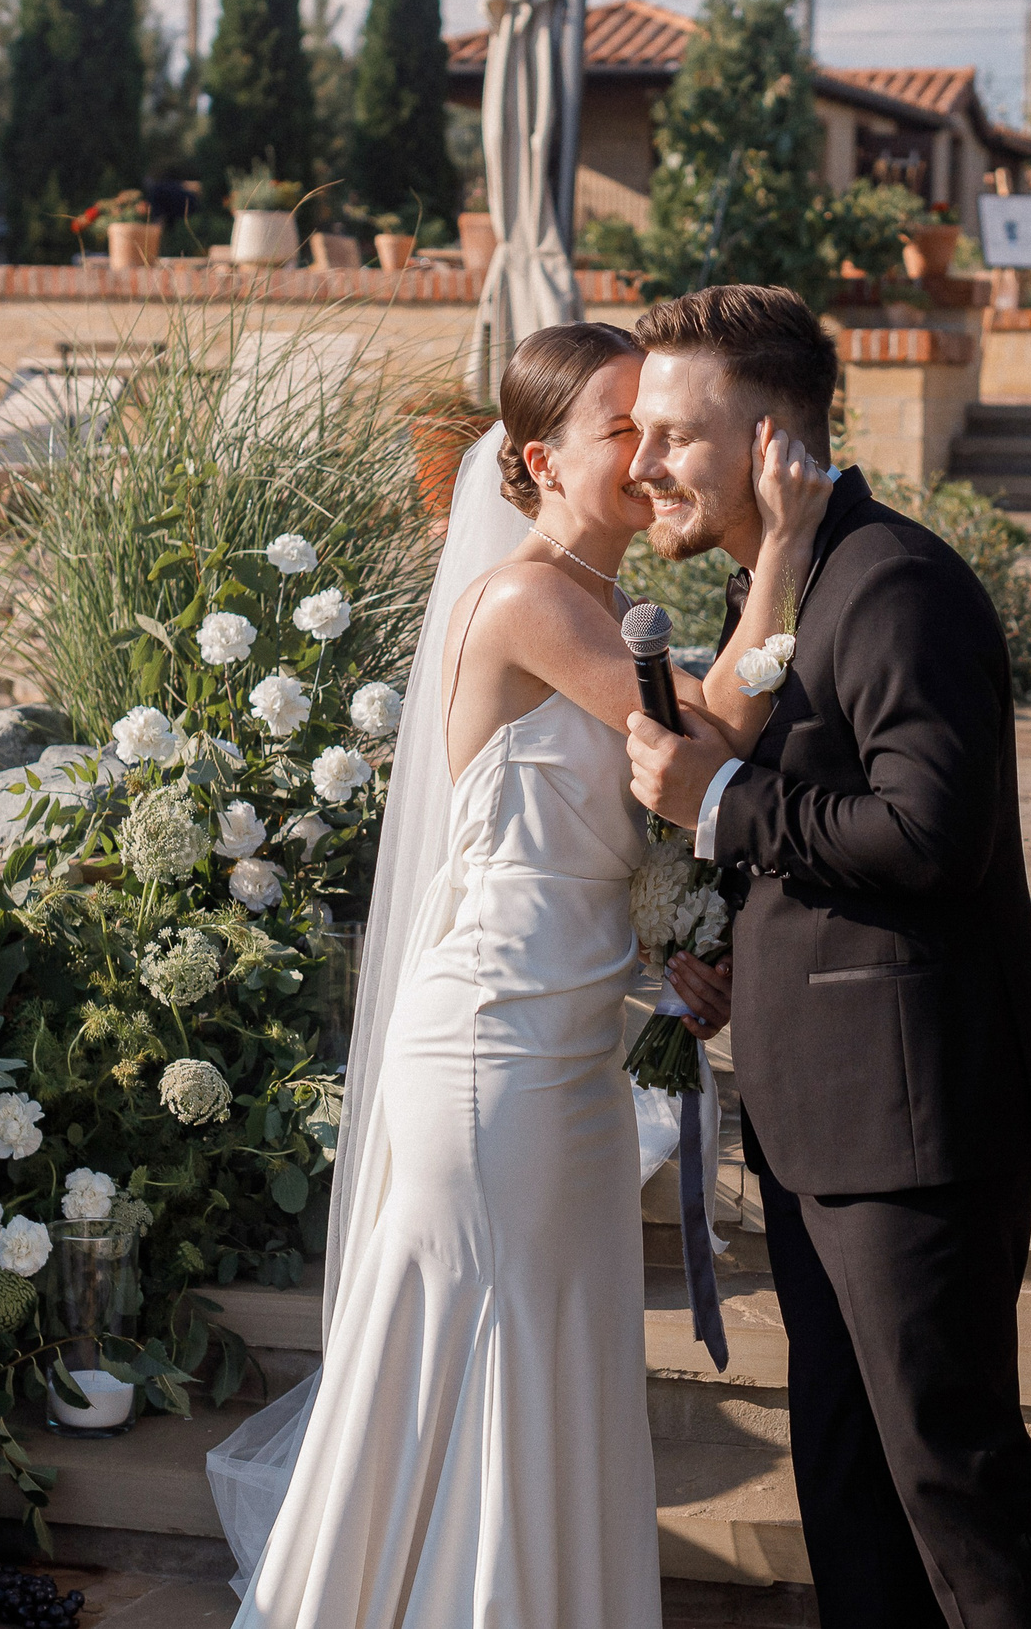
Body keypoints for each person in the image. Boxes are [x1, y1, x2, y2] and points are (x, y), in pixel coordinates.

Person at [215, 319, 832, 1629]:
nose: (653, 454)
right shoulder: (530, 599)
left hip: (570, 1056)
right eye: (626, 429)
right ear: (539, 459)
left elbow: (612, 823)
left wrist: (672, 942)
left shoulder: (607, 608)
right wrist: (781, 545)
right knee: (489, 1361)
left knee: (556, 1365)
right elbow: (709, 731)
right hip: (493, 1051)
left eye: (663, 430)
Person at [623, 285, 1031, 1629]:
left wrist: (715, 807)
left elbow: (930, 833)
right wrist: (712, 922)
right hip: (816, 1112)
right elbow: (782, 787)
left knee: (954, 1478)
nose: (644, 461)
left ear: (769, 434)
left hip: (915, 1116)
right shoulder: (783, 584)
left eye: (673, 433)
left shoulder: (895, 584)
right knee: (851, 1480)